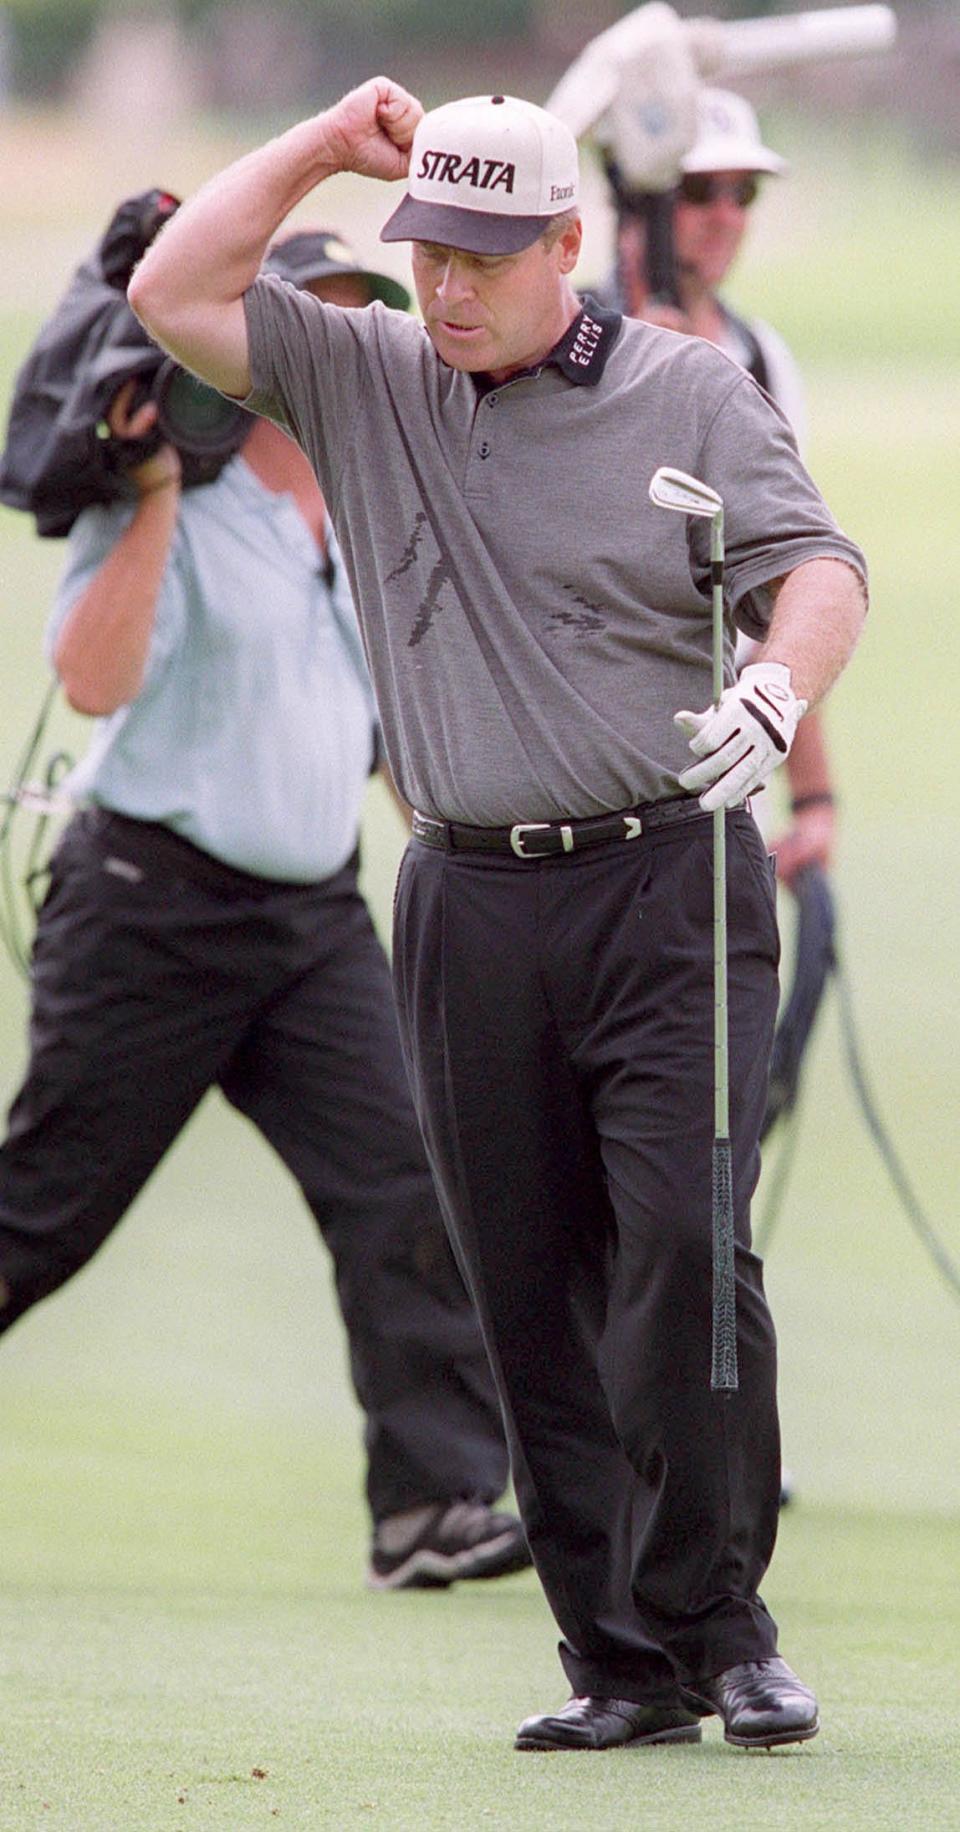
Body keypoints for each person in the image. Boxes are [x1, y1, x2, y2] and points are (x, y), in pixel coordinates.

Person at [129, 80, 867, 1753]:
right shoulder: (368, 372)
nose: (444, 286)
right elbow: (170, 291)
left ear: (564, 243)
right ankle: (618, 1659)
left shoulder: (689, 388)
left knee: (681, 1251)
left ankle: (722, 1624)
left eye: (478, 252)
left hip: (668, 876)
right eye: (424, 250)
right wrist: (325, 144)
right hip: (466, 893)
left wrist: (773, 683)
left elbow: (821, 567)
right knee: (523, 1280)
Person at [0, 223, 532, 1595]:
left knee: (407, 1180)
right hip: (146, 914)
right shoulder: (164, 488)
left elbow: (385, 734)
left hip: (311, 927)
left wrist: (494, 876)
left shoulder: (365, 507)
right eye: (313, 317)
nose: (333, 345)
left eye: (360, 318)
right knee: (43, 1213)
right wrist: (162, 492)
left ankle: (432, 1503)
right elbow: (97, 680)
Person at [609, 85, 836, 893]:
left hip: (724, 765)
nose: (728, 215)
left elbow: (789, 582)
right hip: (600, 777)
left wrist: (812, 796)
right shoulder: (564, 349)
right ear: (639, 202)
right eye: (702, 192)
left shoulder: (761, 358)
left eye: (744, 193)